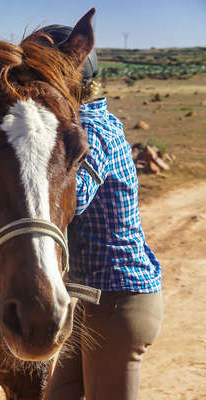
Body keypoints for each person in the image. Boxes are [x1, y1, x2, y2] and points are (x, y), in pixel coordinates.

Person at [40, 26, 164, 400]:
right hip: (92, 298)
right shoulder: (85, 123)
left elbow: (74, 194)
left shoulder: (91, 130)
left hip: (118, 299)